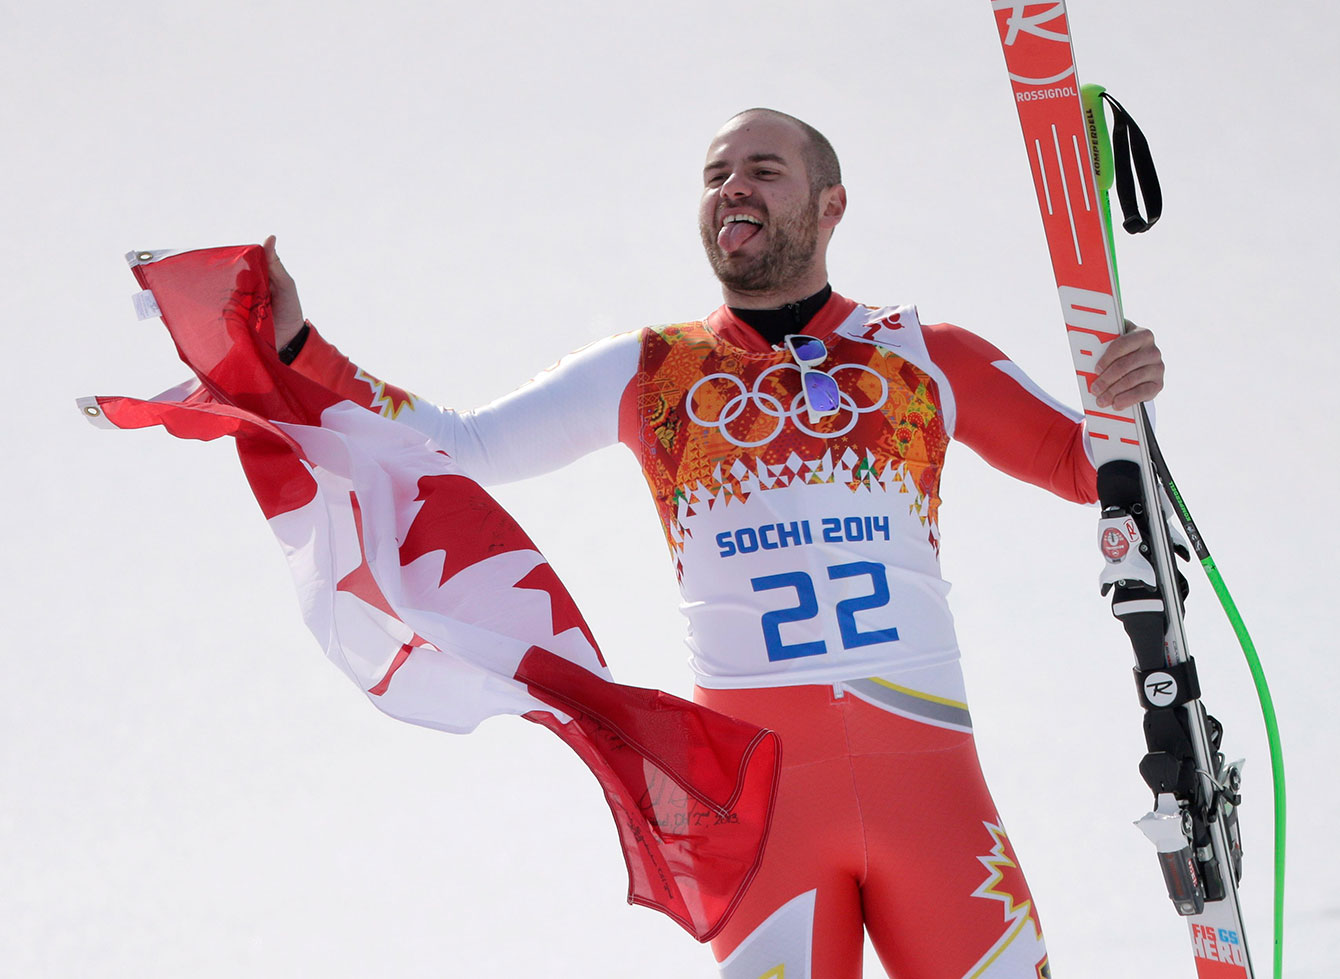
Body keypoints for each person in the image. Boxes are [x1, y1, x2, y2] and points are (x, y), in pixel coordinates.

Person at [263, 107, 1163, 979]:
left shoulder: (925, 354)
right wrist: (298, 346)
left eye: (765, 171)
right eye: (716, 176)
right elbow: (461, 445)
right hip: (762, 806)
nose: (734, 187)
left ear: (831, 205)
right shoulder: (651, 368)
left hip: (929, 785)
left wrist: (1128, 399)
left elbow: (1097, 471)